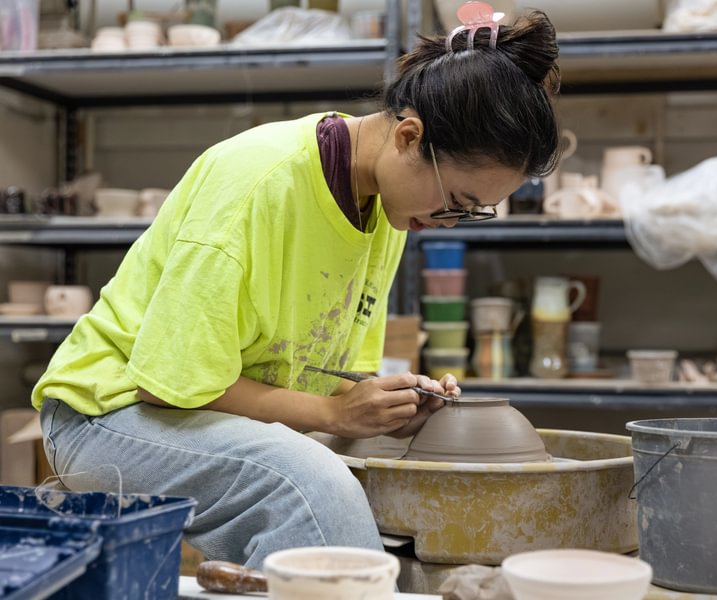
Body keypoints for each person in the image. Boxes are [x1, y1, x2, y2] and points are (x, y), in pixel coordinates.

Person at [32, 3, 560, 569]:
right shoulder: (258, 185)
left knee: (385, 465)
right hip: (109, 414)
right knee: (310, 485)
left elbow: (326, 378)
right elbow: (170, 386)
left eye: (471, 213)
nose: (448, 221)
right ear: (409, 137)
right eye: (455, 202)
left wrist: (387, 404)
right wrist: (334, 417)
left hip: (211, 410)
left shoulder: (388, 208)